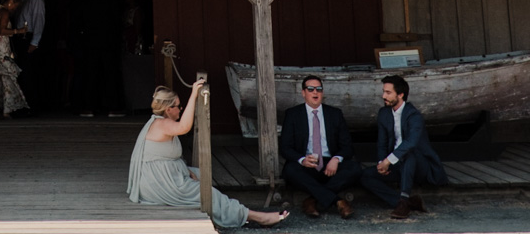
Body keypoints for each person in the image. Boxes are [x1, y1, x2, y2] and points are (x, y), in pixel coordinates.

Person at [128, 82, 288, 228]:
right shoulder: (163, 124)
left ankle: (227, 213)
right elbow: (184, 127)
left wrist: (184, 169)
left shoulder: (158, 122)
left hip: (161, 176)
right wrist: (193, 95)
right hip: (160, 183)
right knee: (207, 191)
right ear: (168, 109)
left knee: (199, 175)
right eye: (178, 106)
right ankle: (256, 217)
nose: (181, 108)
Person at [358, 75, 446, 219]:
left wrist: (389, 160)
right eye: (383, 91)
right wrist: (382, 162)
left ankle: (404, 201)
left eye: (388, 92)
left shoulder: (414, 115)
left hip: (420, 166)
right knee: (365, 176)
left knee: (408, 153)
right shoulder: (384, 113)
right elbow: (382, 142)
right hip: (396, 164)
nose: (383, 96)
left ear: (400, 95)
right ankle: (406, 202)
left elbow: (411, 143)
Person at [279, 75, 361, 219]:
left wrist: (336, 159)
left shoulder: (334, 114)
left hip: (330, 166)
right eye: (310, 89)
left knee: (354, 168)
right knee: (290, 169)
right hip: (307, 165)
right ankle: (338, 201)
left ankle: (312, 200)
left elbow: (348, 147)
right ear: (303, 93)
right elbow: (285, 147)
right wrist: (302, 159)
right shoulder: (293, 114)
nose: (315, 92)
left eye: (319, 89)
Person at [0, 0, 30, 117]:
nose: (15, 9)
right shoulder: (4, 12)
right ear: (11, 2)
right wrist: (19, 31)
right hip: (2, 49)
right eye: (16, 6)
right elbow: (2, 30)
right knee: (7, 78)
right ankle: (7, 109)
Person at [13, 0, 46, 110]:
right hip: (21, 38)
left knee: (29, 73)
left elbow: (39, 20)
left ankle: (33, 105)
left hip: (29, 39)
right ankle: (25, 104)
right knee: (24, 73)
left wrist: (35, 42)